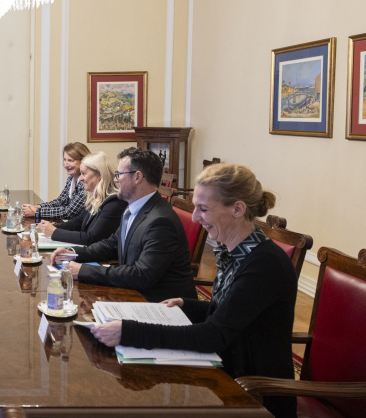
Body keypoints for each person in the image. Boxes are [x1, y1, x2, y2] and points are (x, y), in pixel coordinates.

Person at [90, 163, 297, 417]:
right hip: (223, 369)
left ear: (238, 209)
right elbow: (231, 312)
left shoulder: (264, 263)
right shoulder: (236, 250)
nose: (196, 218)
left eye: (204, 209)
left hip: (252, 391)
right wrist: (188, 305)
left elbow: (214, 334)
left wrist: (129, 332)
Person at [52, 147, 195, 302]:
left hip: (158, 303)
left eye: (119, 175)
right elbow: (112, 244)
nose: (115, 179)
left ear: (138, 177)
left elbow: (141, 275)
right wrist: (73, 253)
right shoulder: (133, 208)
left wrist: (83, 271)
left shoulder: (160, 221)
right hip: (134, 293)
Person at [38, 151, 126, 246]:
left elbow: (91, 238)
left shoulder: (115, 203)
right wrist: (51, 227)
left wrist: (54, 232)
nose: (80, 179)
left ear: (100, 175)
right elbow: (76, 223)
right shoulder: (95, 197)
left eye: (83, 173)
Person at [22, 142, 90, 220]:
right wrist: (38, 207)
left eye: (70, 160)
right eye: (64, 160)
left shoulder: (86, 183)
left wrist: (37, 211)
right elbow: (60, 201)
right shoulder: (71, 179)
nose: (66, 164)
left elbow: (69, 212)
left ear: (83, 161)